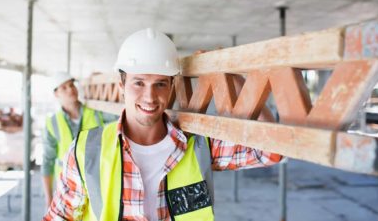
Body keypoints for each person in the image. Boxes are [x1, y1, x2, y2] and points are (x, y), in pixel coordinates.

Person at [43, 28, 282, 221]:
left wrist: (234, 79)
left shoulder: (199, 146)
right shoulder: (86, 151)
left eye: (160, 84)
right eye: (139, 83)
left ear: (171, 88)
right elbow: (60, 216)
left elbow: (271, 151)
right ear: (121, 87)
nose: (150, 97)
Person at [41, 72, 117, 207]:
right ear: (56, 94)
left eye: (71, 85)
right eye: (64, 87)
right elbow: (48, 161)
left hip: (97, 183)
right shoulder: (52, 123)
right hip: (67, 186)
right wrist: (48, 198)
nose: (70, 89)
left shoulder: (96, 112)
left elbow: (121, 116)